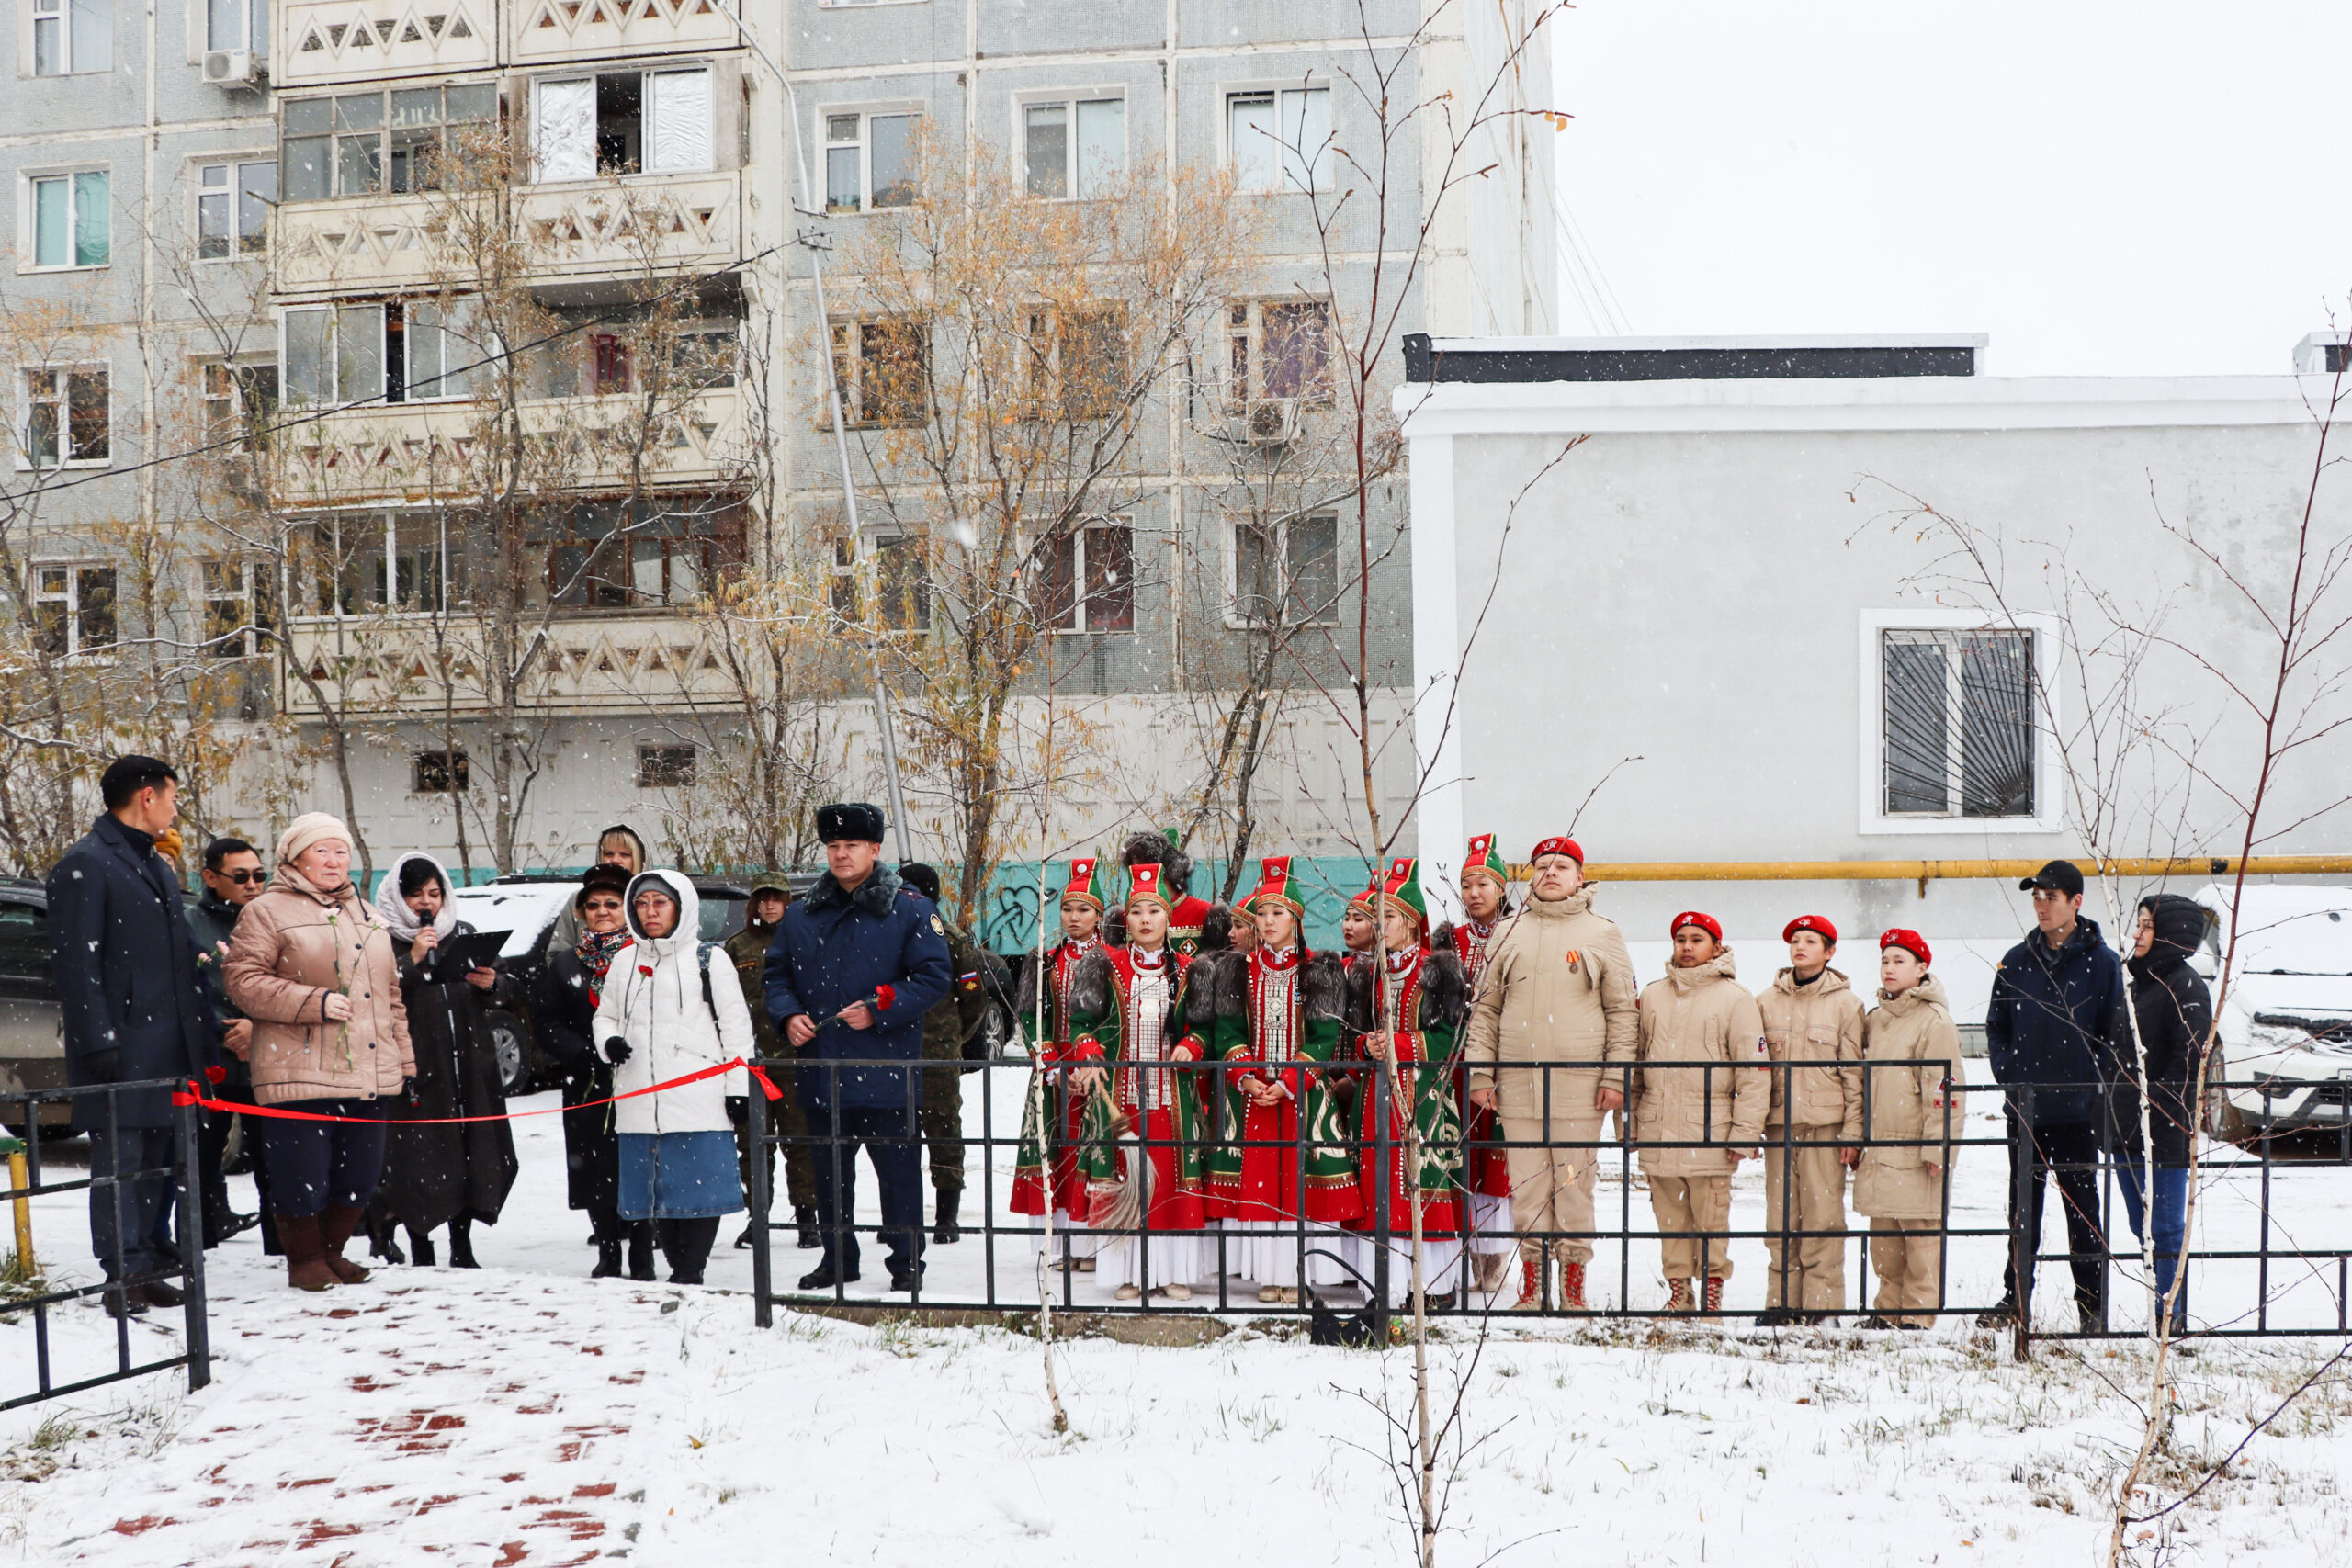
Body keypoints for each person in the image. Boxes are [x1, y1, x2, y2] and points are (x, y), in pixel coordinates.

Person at [47, 756, 221, 1317]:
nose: (175, 808)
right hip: (122, 1043)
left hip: (170, 1042)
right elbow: (77, 963)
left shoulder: (156, 864)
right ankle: (122, 1274)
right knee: (123, 1162)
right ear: (146, 796)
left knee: (160, 1158)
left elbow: (171, 954)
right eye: (171, 796)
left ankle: (147, 1261)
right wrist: (98, 1040)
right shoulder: (86, 864)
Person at [763, 803, 951, 1292]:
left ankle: (907, 1262)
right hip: (823, 1068)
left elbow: (933, 978)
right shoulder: (803, 914)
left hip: (885, 1066)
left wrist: (881, 1009)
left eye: (851, 846)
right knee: (830, 1174)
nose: (841, 855)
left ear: (875, 850)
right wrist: (789, 1016)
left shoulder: (909, 908)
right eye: (833, 846)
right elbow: (777, 974)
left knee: (899, 1174)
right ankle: (837, 1259)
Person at [224, 813, 413, 1292]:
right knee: (301, 1174)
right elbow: (242, 980)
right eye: (321, 851)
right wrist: (313, 1002)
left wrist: (405, 1063)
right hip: (299, 1068)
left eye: (341, 851)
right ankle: (305, 1258)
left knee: (359, 1177)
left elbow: (391, 997)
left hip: (368, 1071)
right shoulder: (266, 911)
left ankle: (332, 1253)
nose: (333, 861)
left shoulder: (367, 914)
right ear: (294, 857)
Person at [1462, 837, 1639, 1311]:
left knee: (1573, 1184)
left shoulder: (1602, 933)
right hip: (1517, 1085)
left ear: (1580, 877)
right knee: (1528, 1187)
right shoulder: (1509, 933)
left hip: (1580, 1087)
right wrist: (1480, 1073)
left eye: (1562, 867)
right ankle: (1534, 1284)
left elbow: (1623, 1012)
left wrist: (1616, 1075)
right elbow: (1486, 1010)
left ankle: (1574, 1285)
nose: (1551, 874)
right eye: (1542, 867)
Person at [1199, 855, 1360, 1304]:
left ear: (1297, 918)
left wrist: (1291, 1079)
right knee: (1263, 1176)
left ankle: (1299, 1274)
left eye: (1279, 913)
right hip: (1252, 1096)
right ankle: (1269, 1272)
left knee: (1299, 1179)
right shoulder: (1236, 969)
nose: (1268, 922)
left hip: (1302, 1095)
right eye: (1263, 913)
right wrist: (1247, 1076)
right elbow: (1227, 1030)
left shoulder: (1320, 970)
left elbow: (1326, 1034)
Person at [1982, 859, 2127, 1333]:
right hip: (2025, 1109)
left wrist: (2091, 1085)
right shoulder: (2016, 960)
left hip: (2076, 1112)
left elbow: (2115, 1034)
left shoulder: (2102, 964)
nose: (2041, 905)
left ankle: (2092, 1307)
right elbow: (1997, 1026)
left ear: (2076, 902)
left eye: (2051, 896)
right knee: (2022, 1211)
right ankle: (2016, 1299)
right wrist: (2010, 1075)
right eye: (2036, 897)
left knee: (2083, 1213)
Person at [592, 871, 753, 1285]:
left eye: (659, 903)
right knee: (656, 1195)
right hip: (639, 1099)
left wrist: (738, 1088)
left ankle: (689, 1270)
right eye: (642, 903)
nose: (650, 912)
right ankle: (677, 1269)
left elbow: (735, 1028)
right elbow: (605, 1014)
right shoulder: (625, 960)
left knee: (699, 1193)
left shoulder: (709, 959)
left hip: (698, 1097)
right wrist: (609, 1040)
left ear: (680, 906)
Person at [1066, 863, 1213, 1301]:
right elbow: (1081, 1023)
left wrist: (1192, 1045)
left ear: (1169, 919)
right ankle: (1128, 1272)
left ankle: (1172, 1272)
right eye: (1136, 912)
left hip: (1172, 1095)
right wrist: (1090, 1054)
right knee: (1127, 1177)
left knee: (1168, 1179)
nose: (1145, 920)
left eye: (1154, 911)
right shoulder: (1104, 966)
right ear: (1124, 920)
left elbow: (1204, 1029)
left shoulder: (1190, 969)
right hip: (1121, 1093)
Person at [368, 853, 520, 1268]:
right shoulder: (379, 939)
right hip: (415, 1068)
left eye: (434, 893)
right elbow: (372, 993)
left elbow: (507, 989)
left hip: (467, 1068)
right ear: (397, 898)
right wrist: (411, 962)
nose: (426, 904)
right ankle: (419, 1245)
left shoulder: (461, 933)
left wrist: (493, 984)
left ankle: (463, 1245)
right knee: (419, 1159)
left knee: (469, 1155)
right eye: (415, 894)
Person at [1344, 858, 1470, 1310]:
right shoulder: (1371, 972)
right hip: (1377, 1096)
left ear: (1413, 922)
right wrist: (1368, 1048)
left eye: (1388, 917)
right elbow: (1356, 1034)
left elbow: (1449, 1037)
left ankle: (1431, 1286)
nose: (1379, 925)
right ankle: (1385, 1283)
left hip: (1425, 1094)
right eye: (1375, 917)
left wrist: (1398, 1043)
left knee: (1425, 1181)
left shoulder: (1439, 970)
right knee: (1380, 1181)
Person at [1632, 911, 1769, 1315]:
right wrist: (1634, 1126)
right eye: (1681, 940)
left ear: (1715, 946)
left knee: (1711, 1219)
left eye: (1697, 939)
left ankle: (1711, 1295)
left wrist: (1744, 1133)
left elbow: (1754, 1074)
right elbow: (1637, 1066)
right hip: (1659, 1127)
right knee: (1670, 1220)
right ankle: (1679, 1293)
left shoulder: (1736, 999)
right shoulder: (1654, 995)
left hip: (1710, 1131)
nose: (1687, 947)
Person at [534, 866, 655, 1280]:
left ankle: (643, 1249)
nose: (602, 912)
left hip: (640, 1075)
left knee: (638, 1165)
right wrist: (582, 1051)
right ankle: (607, 1250)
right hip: (586, 1079)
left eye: (611, 904)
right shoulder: (565, 963)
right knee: (594, 1169)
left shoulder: (645, 955)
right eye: (593, 906)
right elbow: (546, 1020)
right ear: (582, 913)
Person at [1753, 914, 1865, 1327]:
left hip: (1825, 1126)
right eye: (1795, 940)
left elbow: (1854, 1075)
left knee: (1822, 1217)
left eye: (1811, 941)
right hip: (1779, 1125)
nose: (1800, 947)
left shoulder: (1846, 1005)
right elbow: (1756, 1068)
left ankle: (1822, 1306)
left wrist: (1854, 1131)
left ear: (1829, 952)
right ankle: (1780, 1303)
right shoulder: (1765, 1001)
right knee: (1779, 1218)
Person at [1853, 928, 1962, 1329]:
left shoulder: (1934, 1023)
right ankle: (1886, 1310)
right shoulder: (1876, 1020)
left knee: (1920, 1238)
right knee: (1884, 1240)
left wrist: (1939, 1147)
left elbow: (1945, 1090)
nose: (1889, 969)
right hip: (1881, 1147)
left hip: (1915, 1149)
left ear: (1921, 968)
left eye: (1899, 961)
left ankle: (1917, 1315)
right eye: (1885, 961)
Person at [2114, 894, 2211, 1333]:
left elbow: (2186, 1064)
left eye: (2147, 925)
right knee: (2142, 1226)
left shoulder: (2187, 987)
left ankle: (2171, 1318)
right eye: (2138, 924)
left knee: (2165, 1229)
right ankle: (2162, 1310)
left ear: (2169, 934)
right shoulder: (2138, 986)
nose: (2137, 933)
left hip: (2165, 1134)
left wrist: (2153, 1108)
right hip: (2126, 1130)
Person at [1011, 858, 1112, 1264]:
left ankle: (1093, 1244)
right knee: (1059, 1154)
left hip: (1098, 1070)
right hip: (1054, 1072)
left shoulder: (1112, 960)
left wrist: (1095, 1061)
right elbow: (1033, 1017)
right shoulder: (1045, 960)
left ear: (1099, 914)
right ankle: (1061, 1243)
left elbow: (1113, 1020)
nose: (1074, 917)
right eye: (1067, 909)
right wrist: (1049, 1060)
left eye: (1084, 909)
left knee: (1092, 1153)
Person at [1434, 833, 1518, 1293]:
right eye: (1467, 884)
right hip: (1454, 1062)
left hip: (1501, 1061)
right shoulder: (1448, 941)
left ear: (1502, 889)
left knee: (1495, 1159)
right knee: (1457, 1155)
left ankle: (1493, 1252)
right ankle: (1461, 1247)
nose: (1474, 893)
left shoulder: (1518, 933)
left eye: (1484, 883)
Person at [899, 863, 991, 1245]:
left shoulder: (950, 938)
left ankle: (946, 1217)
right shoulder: (889, 934)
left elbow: (974, 1000)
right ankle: (900, 1216)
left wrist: (951, 1038)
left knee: (944, 1131)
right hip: (895, 1051)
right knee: (897, 1136)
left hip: (937, 1053)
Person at [725, 880, 820, 1251]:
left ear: (788, 902)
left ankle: (807, 1219)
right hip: (751, 1063)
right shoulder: (737, 946)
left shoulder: (805, 940)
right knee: (752, 1147)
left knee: (801, 1144)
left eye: (776, 898)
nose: (768, 905)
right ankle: (757, 1218)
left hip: (795, 1061)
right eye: (762, 899)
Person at [185, 835, 267, 1250]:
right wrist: (224, 1029)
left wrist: (258, 1026)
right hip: (211, 1060)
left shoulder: (274, 919)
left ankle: (284, 1246)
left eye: (259, 875)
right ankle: (203, 1242)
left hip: (268, 1057)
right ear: (211, 878)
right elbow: (182, 991)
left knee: (274, 1162)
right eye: (241, 877)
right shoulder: (189, 924)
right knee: (202, 1157)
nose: (252, 885)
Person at [1117, 831, 1225, 957]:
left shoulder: (1205, 914)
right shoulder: (1125, 918)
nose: (1143, 878)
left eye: (1149, 871)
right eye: (1136, 873)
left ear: (1169, 871)